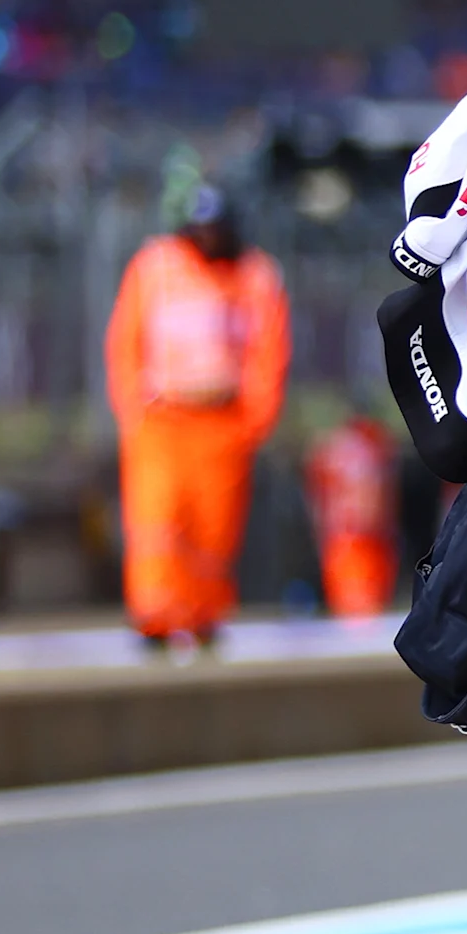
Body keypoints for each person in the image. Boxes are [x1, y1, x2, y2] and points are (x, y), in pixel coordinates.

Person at [104, 185, 288, 648]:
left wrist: (254, 421)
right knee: (157, 520)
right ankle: (155, 615)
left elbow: (269, 350)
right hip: (161, 420)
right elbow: (126, 340)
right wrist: (131, 411)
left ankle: (203, 614)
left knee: (214, 528)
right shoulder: (154, 266)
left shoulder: (253, 274)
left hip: (222, 421)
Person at [304, 413, 401, 615]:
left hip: (353, 533)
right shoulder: (363, 449)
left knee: (363, 604)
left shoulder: (342, 449)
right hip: (349, 533)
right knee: (357, 604)